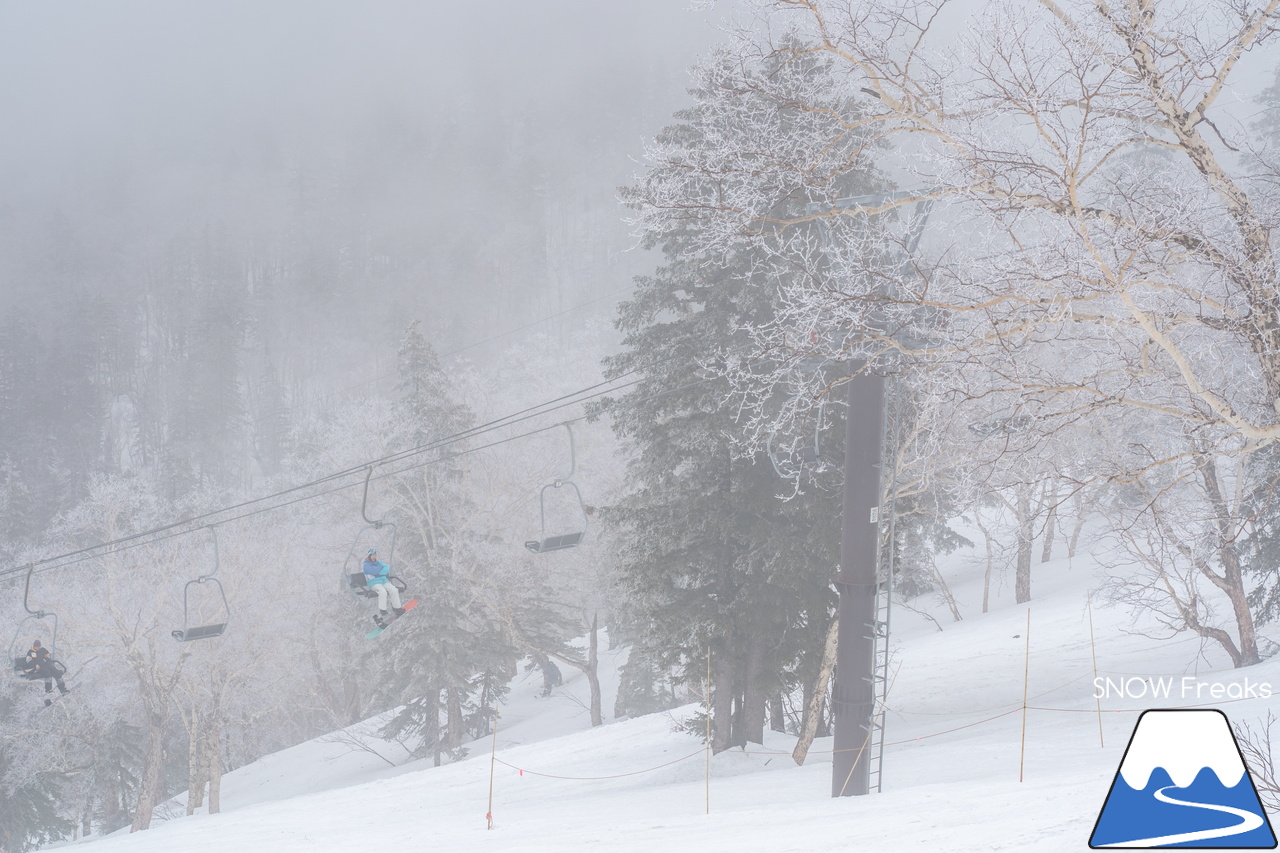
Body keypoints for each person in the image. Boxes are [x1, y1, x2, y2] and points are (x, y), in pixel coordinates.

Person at [362, 549, 405, 627]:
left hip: (384, 581)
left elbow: (386, 568)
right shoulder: (366, 565)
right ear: (369, 556)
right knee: (383, 592)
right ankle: (383, 611)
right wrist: (380, 571)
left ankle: (397, 608)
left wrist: (379, 572)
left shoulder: (378, 562)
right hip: (374, 583)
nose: (374, 556)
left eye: (375, 555)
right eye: (373, 555)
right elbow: (373, 572)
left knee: (394, 590)